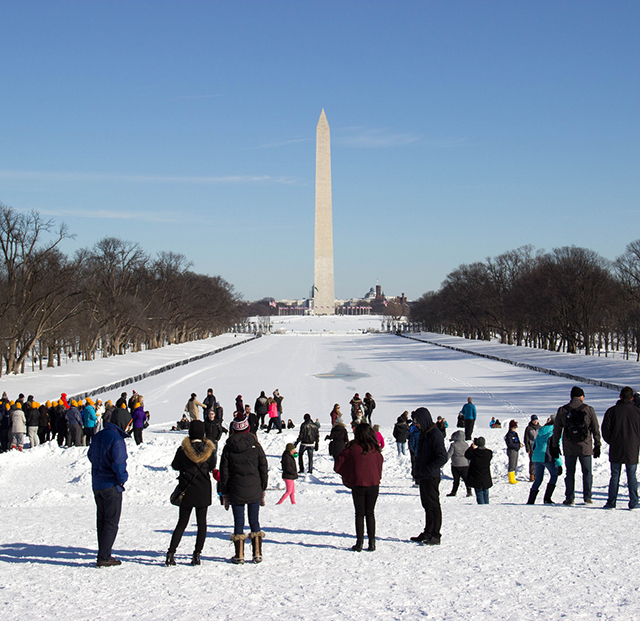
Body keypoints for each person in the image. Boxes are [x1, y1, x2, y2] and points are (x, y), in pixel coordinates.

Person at [165, 420, 217, 566]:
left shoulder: (183, 450)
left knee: (182, 522)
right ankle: (197, 554)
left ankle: (171, 553)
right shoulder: (209, 450)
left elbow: (175, 466)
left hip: (186, 489)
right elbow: (212, 466)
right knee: (202, 523)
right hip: (203, 490)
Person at [219, 415, 269, 564]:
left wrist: (225, 491)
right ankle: (257, 553)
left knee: (238, 522)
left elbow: (224, 472)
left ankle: (239, 554)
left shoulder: (228, 447)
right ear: (247, 428)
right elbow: (263, 468)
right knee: (254, 520)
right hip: (254, 488)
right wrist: (263, 487)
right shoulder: (256, 445)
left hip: (235, 490)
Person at [334, 422, 384, 552]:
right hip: (373, 484)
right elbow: (380, 462)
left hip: (359, 484)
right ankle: (372, 543)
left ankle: (359, 542)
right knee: (370, 513)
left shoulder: (353, 448)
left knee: (360, 514)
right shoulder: (375, 448)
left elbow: (339, 460)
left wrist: (348, 473)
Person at [87, 418, 129, 567]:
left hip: (97, 484)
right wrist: (122, 477)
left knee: (102, 520)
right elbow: (119, 462)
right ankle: (104, 556)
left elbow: (90, 455)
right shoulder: (117, 439)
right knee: (111, 521)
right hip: (111, 484)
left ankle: (103, 552)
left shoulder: (99, 435)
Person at [550, 386, 601, 505]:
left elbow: (557, 430)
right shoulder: (588, 409)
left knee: (570, 472)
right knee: (587, 472)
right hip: (585, 446)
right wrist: (597, 444)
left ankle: (570, 497)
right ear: (581, 396)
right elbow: (595, 428)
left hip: (569, 446)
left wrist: (555, 445)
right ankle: (587, 497)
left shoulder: (563, 410)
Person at [410, 407, 447, 545]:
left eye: (417, 421)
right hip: (423, 476)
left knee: (433, 506)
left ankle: (435, 534)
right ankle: (428, 531)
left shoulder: (435, 434)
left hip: (431, 476)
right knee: (426, 505)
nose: (416, 424)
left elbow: (442, 457)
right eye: (414, 422)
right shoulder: (424, 433)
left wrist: (428, 468)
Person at [601, 386, 640, 510]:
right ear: (632, 398)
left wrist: (612, 441)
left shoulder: (612, 411)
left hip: (616, 447)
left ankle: (611, 502)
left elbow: (605, 430)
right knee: (632, 475)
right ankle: (633, 501)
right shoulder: (637, 411)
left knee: (615, 475)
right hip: (632, 447)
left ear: (620, 397)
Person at [527, 415, 562, 505]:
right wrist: (559, 463)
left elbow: (534, 445)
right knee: (554, 475)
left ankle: (531, 500)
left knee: (538, 478)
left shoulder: (541, 430)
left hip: (536, 456)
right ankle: (547, 498)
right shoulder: (555, 431)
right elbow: (555, 447)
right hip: (546, 456)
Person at [465, 437, 493, 504]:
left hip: (476, 476)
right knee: (486, 492)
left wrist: (471, 447)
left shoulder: (474, 453)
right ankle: (487, 506)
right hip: (485, 476)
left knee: (479, 493)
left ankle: (482, 507)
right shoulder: (489, 453)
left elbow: (467, 455)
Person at [446, 430, 472, 497]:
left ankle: (454, 492)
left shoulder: (453, 445)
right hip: (465, 464)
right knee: (466, 479)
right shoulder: (466, 444)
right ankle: (469, 491)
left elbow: (449, 454)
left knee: (456, 480)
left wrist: (442, 462)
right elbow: (468, 455)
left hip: (456, 464)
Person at [504, 420, 523, 484]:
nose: (515, 429)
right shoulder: (509, 435)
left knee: (515, 464)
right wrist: (518, 445)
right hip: (511, 450)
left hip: (516, 450)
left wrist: (519, 444)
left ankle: (513, 477)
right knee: (512, 464)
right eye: (514, 428)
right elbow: (510, 444)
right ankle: (511, 479)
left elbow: (517, 441)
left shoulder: (515, 434)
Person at [524, 415, 540, 482]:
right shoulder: (529, 428)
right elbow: (526, 439)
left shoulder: (540, 428)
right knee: (532, 462)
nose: (536, 422)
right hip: (532, 447)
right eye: (534, 420)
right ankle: (532, 476)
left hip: (539, 447)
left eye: (536, 420)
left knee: (539, 462)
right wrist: (528, 448)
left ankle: (538, 475)